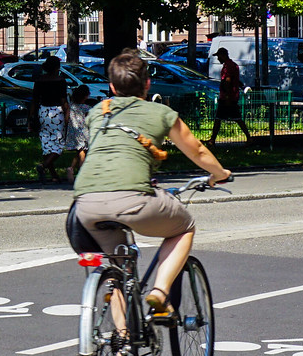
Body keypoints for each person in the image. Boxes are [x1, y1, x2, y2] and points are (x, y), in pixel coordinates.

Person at [73, 50, 232, 322]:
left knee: (119, 268)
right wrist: (220, 173)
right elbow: (197, 151)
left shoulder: (99, 111)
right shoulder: (161, 113)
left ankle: (121, 338)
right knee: (184, 228)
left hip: (85, 204)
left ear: (111, 86)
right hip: (133, 200)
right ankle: (159, 292)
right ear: (148, 84)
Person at [32, 56, 68, 182]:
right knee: (59, 143)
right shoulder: (61, 81)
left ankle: (53, 175)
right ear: (57, 67)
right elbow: (63, 100)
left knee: (46, 142)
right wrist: (67, 113)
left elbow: (35, 100)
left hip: (43, 111)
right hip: (56, 112)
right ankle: (44, 166)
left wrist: (32, 116)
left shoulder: (39, 80)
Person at [207, 46, 246, 145]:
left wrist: (228, 96)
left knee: (220, 118)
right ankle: (212, 139)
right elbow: (234, 79)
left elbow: (227, 80)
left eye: (218, 56)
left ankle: (212, 140)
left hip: (227, 97)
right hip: (231, 96)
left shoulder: (228, 66)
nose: (218, 58)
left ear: (223, 55)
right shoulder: (233, 65)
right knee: (233, 118)